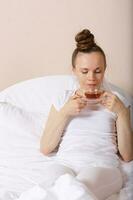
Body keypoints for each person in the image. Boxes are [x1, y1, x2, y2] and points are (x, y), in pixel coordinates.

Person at [40, 29, 133, 200]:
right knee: (49, 185)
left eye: (98, 71)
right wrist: (65, 112)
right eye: (84, 71)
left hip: (102, 166)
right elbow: (46, 148)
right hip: (65, 164)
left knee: (76, 189)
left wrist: (121, 112)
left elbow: (127, 155)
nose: (92, 78)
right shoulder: (63, 99)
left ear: (105, 70)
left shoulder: (117, 100)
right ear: (74, 70)